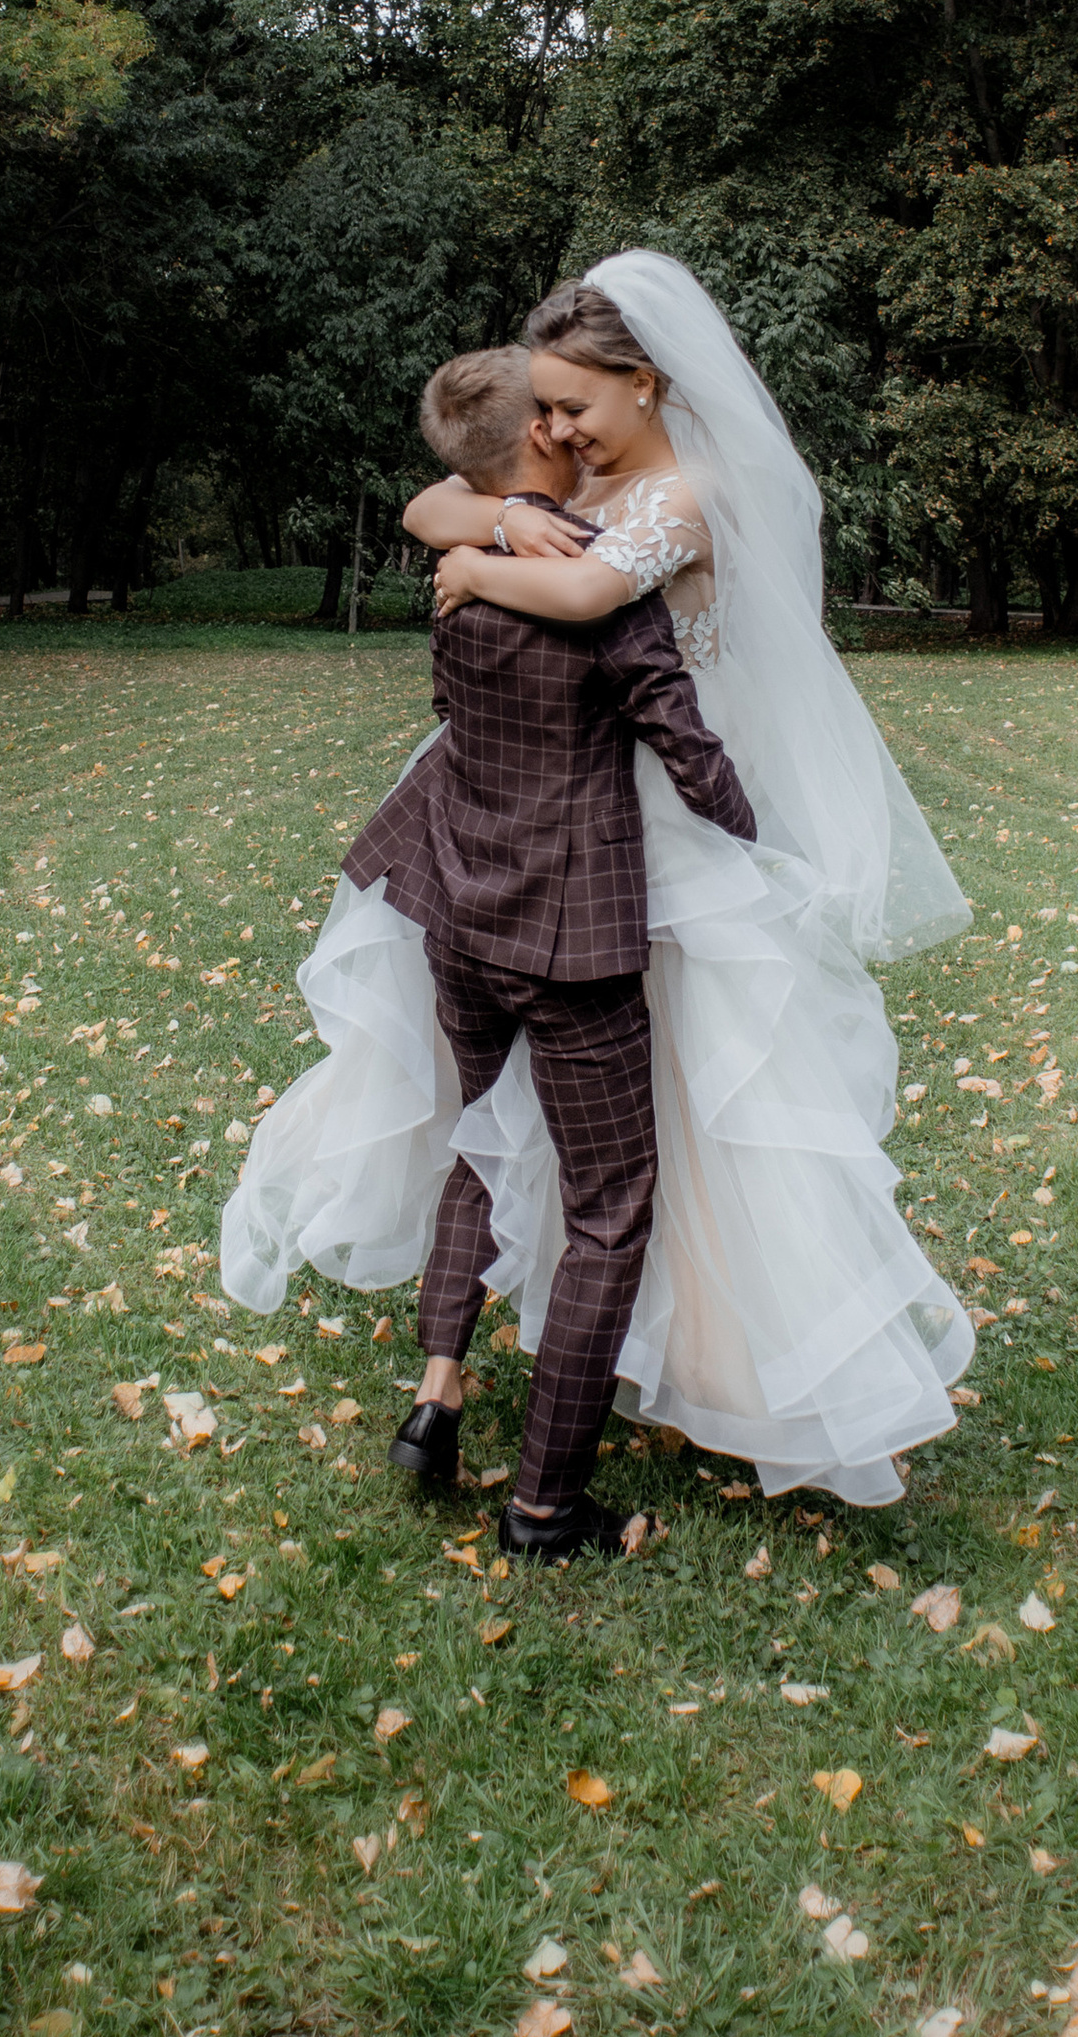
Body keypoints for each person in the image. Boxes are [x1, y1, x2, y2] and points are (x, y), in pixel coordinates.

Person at [222, 251, 976, 1513]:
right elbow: (431, 499)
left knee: (703, 1106)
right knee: (557, 1119)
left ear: (648, 382)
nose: (554, 428)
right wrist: (495, 513)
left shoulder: (689, 492)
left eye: (574, 405)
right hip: (548, 835)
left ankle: (712, 1357)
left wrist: (480, 562)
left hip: (650, 842)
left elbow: (583, 588)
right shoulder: (571, 479)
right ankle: (544, 1411)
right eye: (545, 410)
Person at [321, 346, 754, 1561]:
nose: (575, 424)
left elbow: (439, 523)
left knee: (478, 1138)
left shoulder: (459, 580)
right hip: (573, 932)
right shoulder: (607, 595)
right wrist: (769, 845)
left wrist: (484, 529)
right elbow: (689, 751)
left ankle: (438, 1392)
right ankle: (548, 1502)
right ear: (549, 442)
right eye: (557, 413)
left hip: (459, 908)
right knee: (609, 1204)